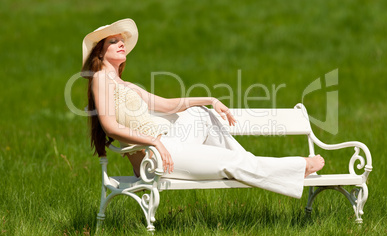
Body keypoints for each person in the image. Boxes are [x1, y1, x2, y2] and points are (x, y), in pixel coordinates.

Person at [81, 18, 325, 199]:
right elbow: (110, 127)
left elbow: (167, 104)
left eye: (122, 41)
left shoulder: (126, 84)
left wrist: (209, 99)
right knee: (229, 162)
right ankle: (297, 167)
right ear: (100, 51)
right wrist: (154, 142)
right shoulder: (101, 80)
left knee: (202, 114)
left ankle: (264, 166)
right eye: (114, 42)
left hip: (167, 143)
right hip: (151, 156)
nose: (121, 45)